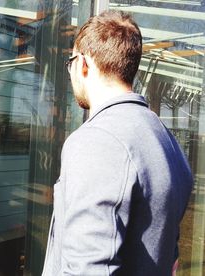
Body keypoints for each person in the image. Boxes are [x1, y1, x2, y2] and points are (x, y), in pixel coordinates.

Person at [41, 10, 193, 276]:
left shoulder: (95, 140)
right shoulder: (169, 143)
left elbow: (87, 269)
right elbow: (171, 260)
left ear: (84, 64)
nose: (70, 73)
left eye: (71, 62)